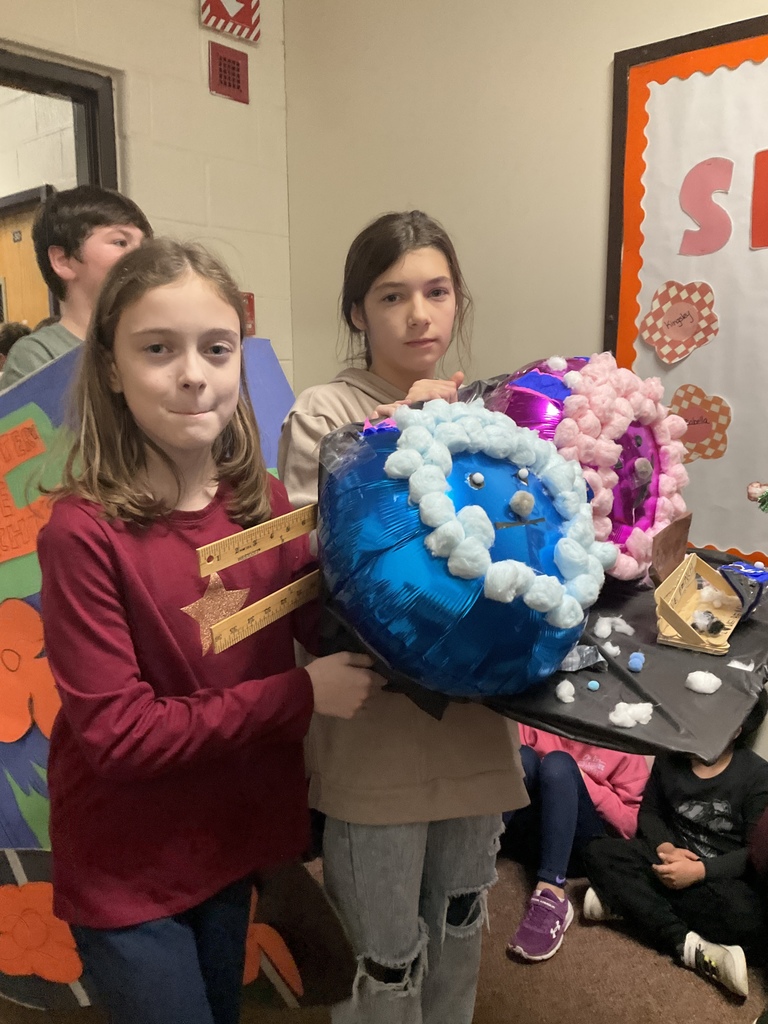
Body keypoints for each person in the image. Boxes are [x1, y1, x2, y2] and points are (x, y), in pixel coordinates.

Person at [38, 237, 382, 1024]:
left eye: (216, 349)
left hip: (227, 839)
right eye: (158, 349)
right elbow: (121, 735)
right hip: (128, 864)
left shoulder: (260, 502)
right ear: (112, 368)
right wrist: (301, 694)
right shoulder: (83, 535)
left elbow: (322, 615)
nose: (194, 374)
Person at [278, 210, 528, 1024]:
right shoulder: (323, 413)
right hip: (375, 728)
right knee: (384, 956)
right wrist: (401, 426)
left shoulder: (495, 415)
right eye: (392, 296)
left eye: (436, 291)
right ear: (358, 311)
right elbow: (330, 563)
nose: (419, 314)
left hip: (477, 721)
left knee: (460, 922)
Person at [583, 692, 768, 999]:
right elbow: (650, 813)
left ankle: (629, 905)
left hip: (717, 881)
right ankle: (687, 944)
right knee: (597, 852)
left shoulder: (757, 775)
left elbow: (753, 854)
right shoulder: (671, 755)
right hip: (666, 865)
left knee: (749, 919)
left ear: (736, 729)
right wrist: (665, 848)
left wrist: (699, 872)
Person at [504, 724, 649, 962]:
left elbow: (631, 826)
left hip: (575, 850)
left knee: (558, 765)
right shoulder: (540, 720)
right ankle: (475, 864)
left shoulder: (623, 744)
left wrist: (583, 782)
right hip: (522, 837)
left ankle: (552, 893)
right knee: (523, 757)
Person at [1, 184, 151, 391]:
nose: (141, 256)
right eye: (120, 242)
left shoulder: (151, 340)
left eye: (145, 247)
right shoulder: (37, 356)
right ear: (63, 261)